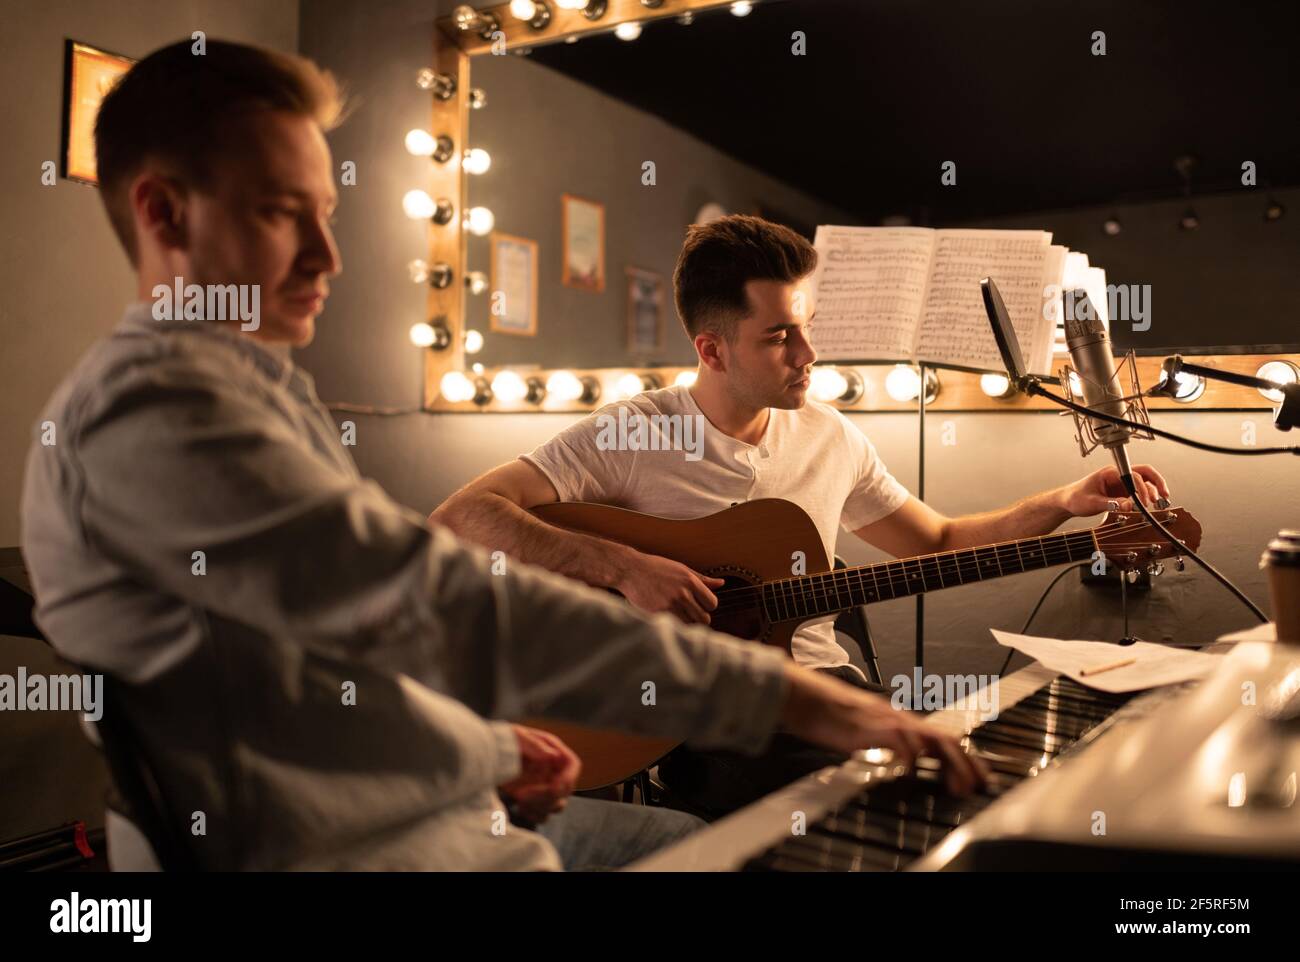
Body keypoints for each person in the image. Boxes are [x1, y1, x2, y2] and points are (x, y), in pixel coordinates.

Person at [20, 40, 984, 871]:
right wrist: (820, 708)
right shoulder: (159, 413)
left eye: (327, 212)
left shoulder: (251, 387)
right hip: (319, 848)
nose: (329, 255)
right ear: (162, 214)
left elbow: (336, 655)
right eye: (282, 213)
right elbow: (441, 599)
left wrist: (481, 747)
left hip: (393, 803)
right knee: (697, 850)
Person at [432, 213, 1172, 815]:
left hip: (821, 690)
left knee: (976, 775)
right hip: (690, 714)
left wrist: (1063, 505)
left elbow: (937, 540)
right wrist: (623, 566)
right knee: (897, 797)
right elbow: (464, 515)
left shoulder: (830, 435)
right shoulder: (633, 433)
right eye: (780, 336)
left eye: (806, 326)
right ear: (712, 350)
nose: (808, 354)